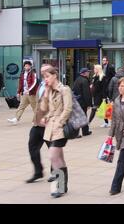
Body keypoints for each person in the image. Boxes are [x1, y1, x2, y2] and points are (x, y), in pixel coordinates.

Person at [38, 66, 72, 198]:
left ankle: (59, 186)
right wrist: (46, 94)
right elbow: (43, 108)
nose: (45, 79)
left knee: (53, 156)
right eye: (44, 77)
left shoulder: (64, 89)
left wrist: (60, 122)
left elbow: (68, 109)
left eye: (47, 76)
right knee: (59, 158)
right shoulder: (50, 91)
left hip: (60, 128)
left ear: (54, 76)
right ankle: (64, 186)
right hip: (50, 128)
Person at [26, 64, 52, 184]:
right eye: (42, 72)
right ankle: (38, 172)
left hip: (50, 125)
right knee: (32, 148)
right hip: (37, 124)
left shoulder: (57, 88)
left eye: (46, 72)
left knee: (54, 152)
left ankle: (56, 175)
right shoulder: (41, 85)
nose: (43, 74)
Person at [73, 68, 92, 137]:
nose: (89, 73)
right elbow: (86, 93)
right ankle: (84, 131)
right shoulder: (84, 81)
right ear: (84, 73)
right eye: (88, 72)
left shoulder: (77, 79)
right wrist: (89, 104)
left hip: (77, 101)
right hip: (82, 102)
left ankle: (83, 131)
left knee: (79, 116)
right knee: (83, 116)